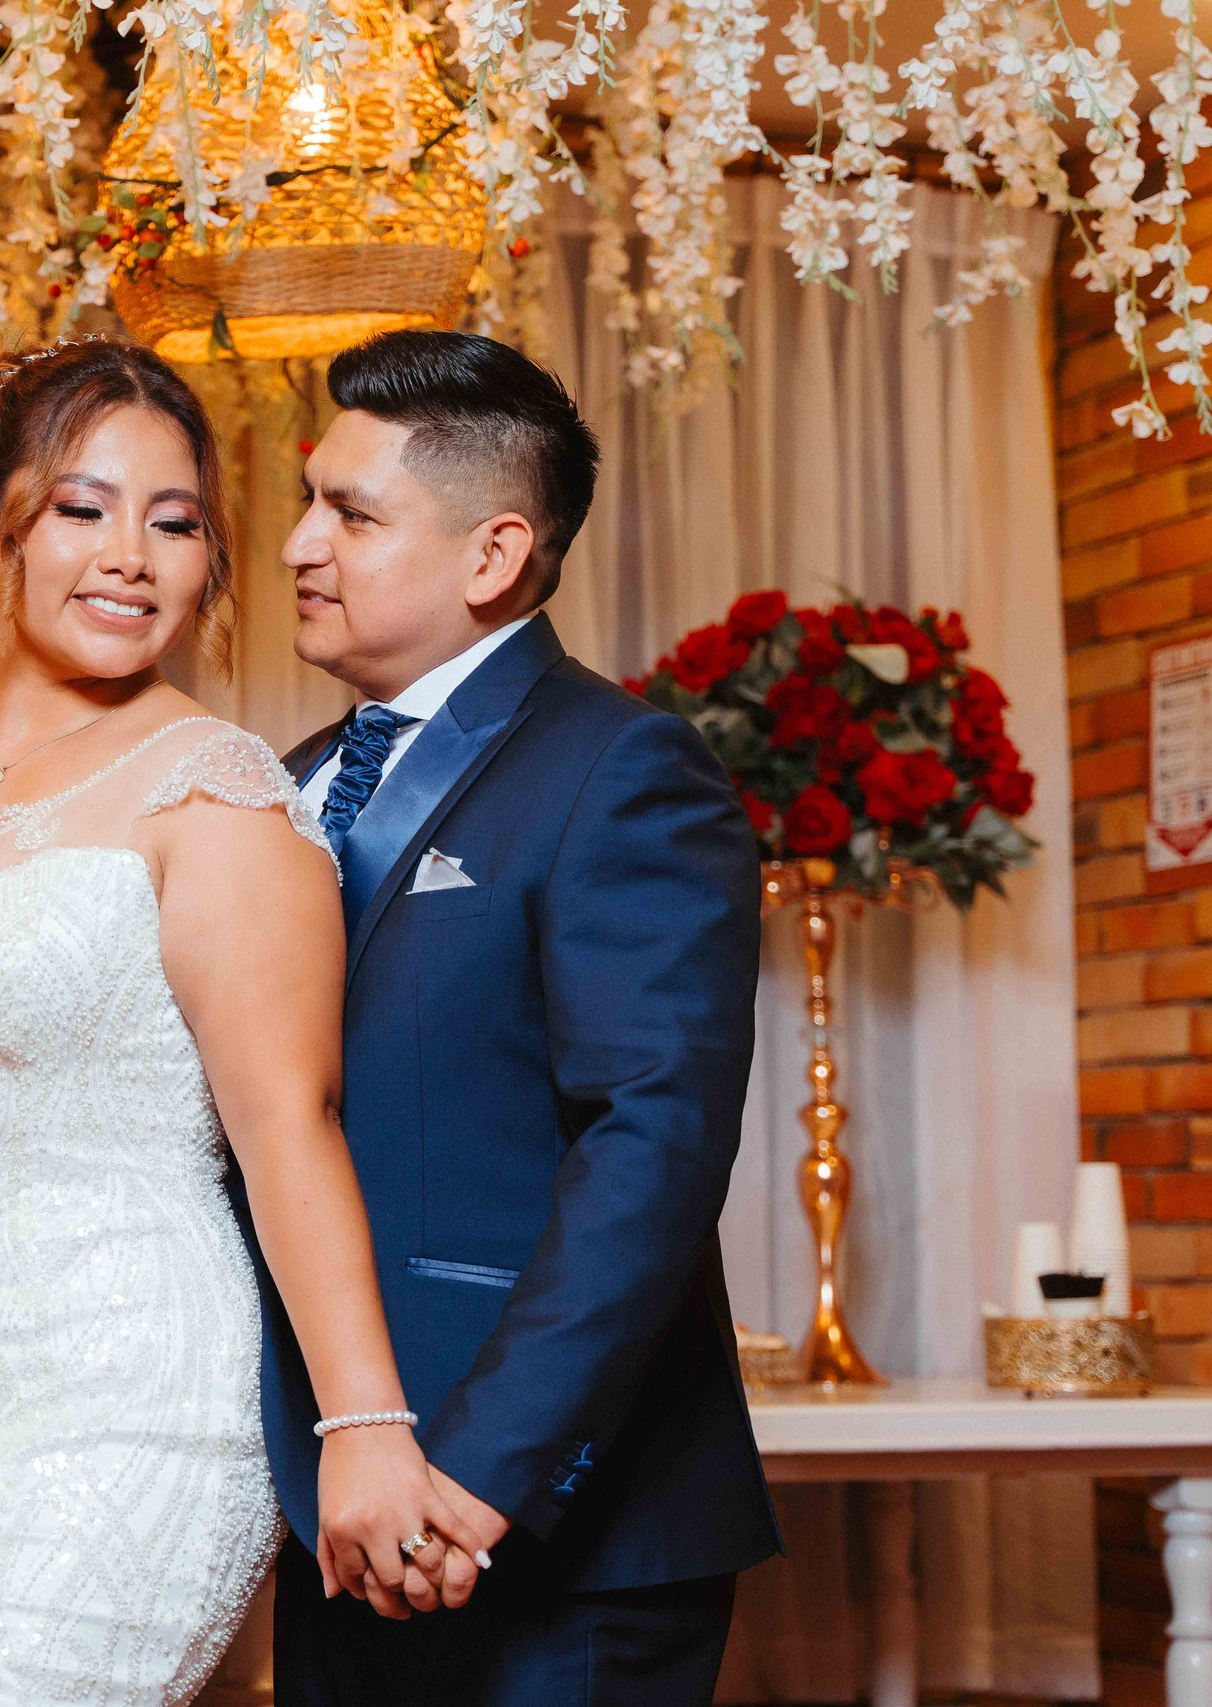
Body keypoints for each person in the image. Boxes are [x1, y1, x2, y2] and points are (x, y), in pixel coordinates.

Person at [0, 336, 489, 1707]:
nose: (133, 556)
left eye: (175, 524)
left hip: (120, 1397)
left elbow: (288, 1126)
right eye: (85, 508)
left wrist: (365, 1422)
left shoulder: (216, 795)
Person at [257, 328, 782, 1707]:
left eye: (351, 513)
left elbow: (651, 1144)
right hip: (334, 1498)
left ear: (492, 555)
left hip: (545, 1527)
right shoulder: (287, 782)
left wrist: (482, 1478)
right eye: (307, 503)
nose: (300, 545)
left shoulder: (622, 767)